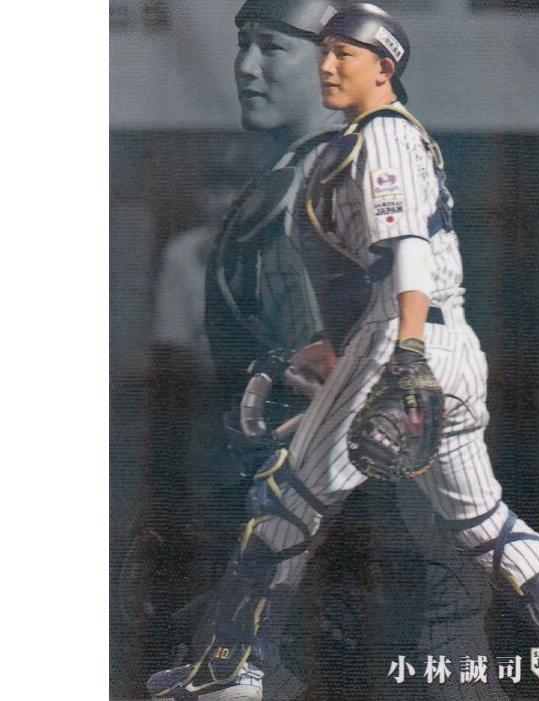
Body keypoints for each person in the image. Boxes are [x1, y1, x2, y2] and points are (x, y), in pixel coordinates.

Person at [147, 3, 504, 700]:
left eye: (273, 48)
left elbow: (345, 346)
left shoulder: (345, 167)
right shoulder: (302, 172)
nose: (247, 68)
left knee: (430, 652)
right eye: (243, 46)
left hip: (369, 521)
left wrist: (311, 384)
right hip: (343, 518)